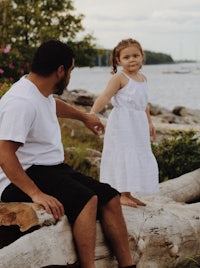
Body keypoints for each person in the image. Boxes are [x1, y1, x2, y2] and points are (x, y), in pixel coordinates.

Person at [0, 40, 138, 268]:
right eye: (71, 70)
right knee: (86, 199)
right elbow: (4, 155)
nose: (71, 77)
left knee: (111, 197)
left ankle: (128, 266)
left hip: (50, 169)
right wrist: (35, 194)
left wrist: (84, 117)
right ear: (60, 71)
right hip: (21, 176)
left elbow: (52, 104)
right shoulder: (20, 102)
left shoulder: (37, 89)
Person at [90, 38, 159, 207]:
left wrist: (150, 123)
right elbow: (105, 96)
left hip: (138, 124)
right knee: (123, 152)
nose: (132, 59)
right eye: (126, 57)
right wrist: (92, 113)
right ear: (118, 60)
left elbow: (144, 104)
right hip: (122, 123)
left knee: (136, 153)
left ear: (142, 56)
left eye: (135, 55)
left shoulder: (143, 78)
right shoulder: (119, 77)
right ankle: (121, 194)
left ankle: (129, 193)